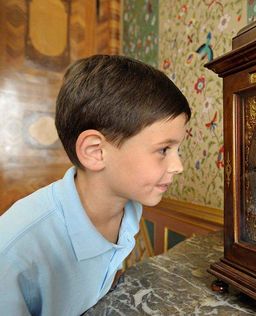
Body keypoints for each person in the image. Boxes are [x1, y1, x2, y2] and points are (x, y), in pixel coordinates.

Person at [0, 55, 191, 315]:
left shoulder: (129, 205)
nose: (177, 166)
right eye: (164, 149)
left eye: (177, 148)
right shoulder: (13, 251)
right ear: (95, 152)